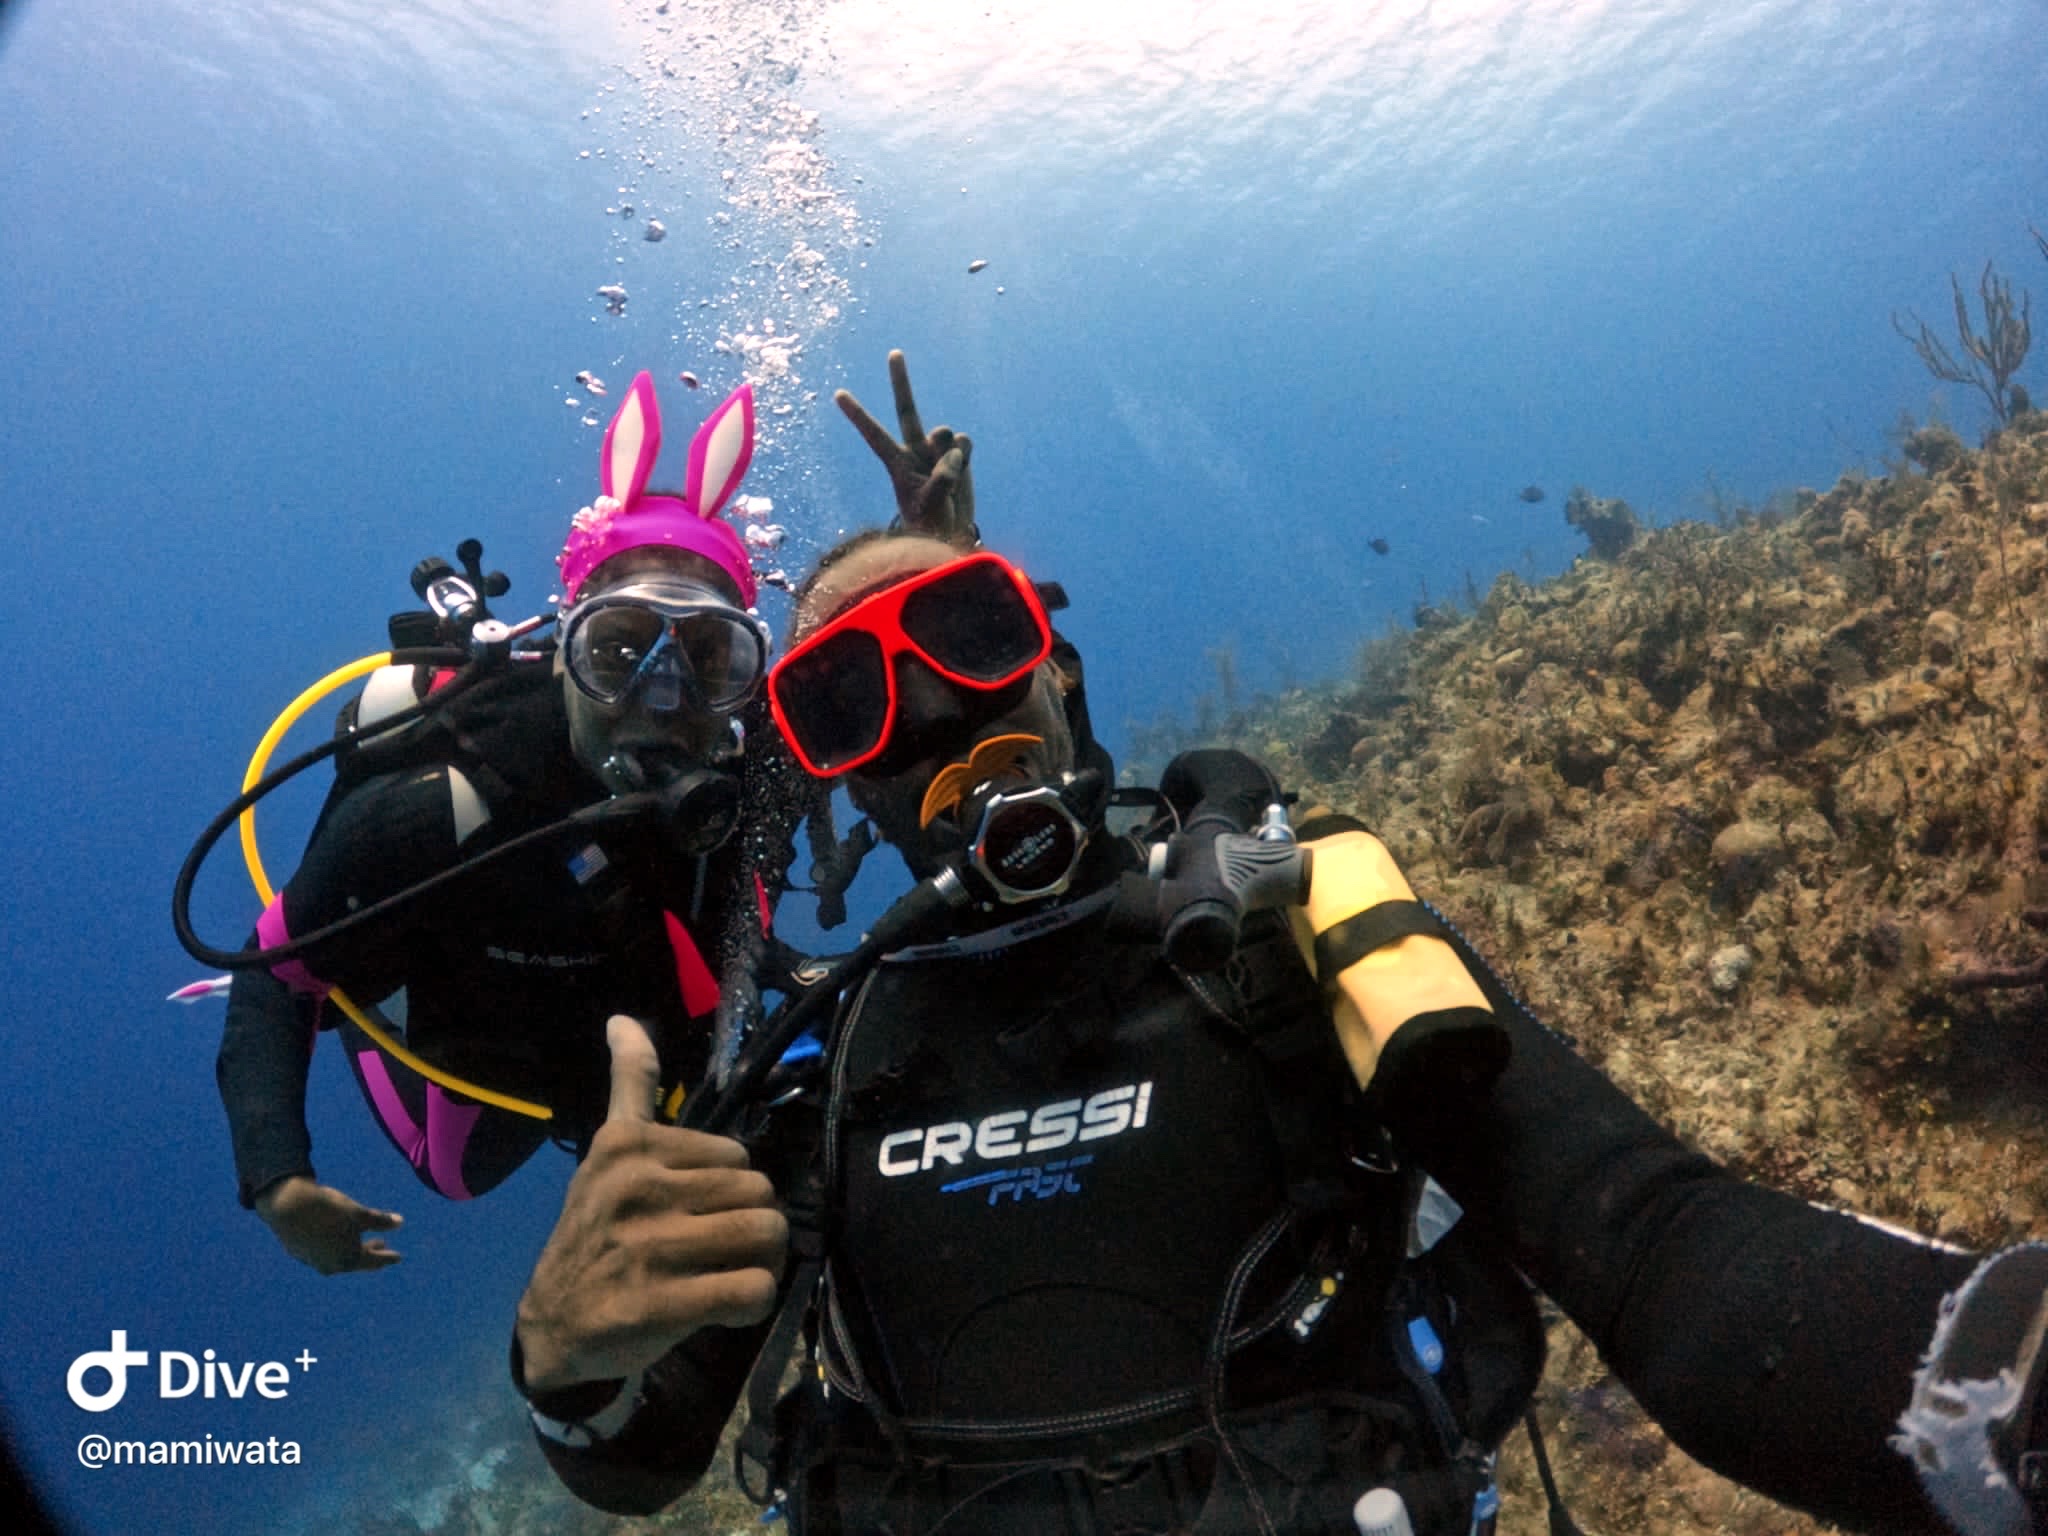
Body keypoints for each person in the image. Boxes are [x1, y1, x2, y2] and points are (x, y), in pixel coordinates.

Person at [507, 354, 2047, 1535]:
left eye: (975, 637)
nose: (939, 714)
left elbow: (1657, 1245)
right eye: (848, 699)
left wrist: (2006, 1400)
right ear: (827, 772)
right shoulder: (824, 1070)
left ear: (1055, 671)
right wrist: (562, 1359)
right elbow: (637, 1457)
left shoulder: (1289, 924)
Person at [209, 370, 775, 1276]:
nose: (661, 701)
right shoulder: (445, 807)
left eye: (710, 660)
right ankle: (369, 996)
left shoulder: (756, 783)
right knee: (458, 1173)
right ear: (559, 653)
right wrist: (276, 1180)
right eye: (619, 650)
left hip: (644, 1048)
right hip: (486, 1056)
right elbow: (274, 975)